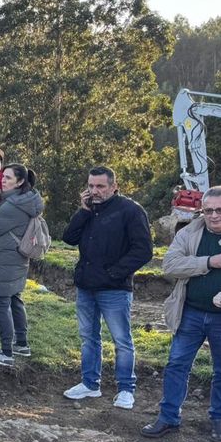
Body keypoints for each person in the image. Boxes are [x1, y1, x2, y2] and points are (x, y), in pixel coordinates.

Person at [61, 166, 153, 409]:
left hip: (115, 288)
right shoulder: (89, 210)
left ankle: (125, 389)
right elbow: (68, 238)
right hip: (86, 286)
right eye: (91, 186)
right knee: (88, 337)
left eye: (100, 186)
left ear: (114, 186)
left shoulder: (131, 211)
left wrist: (114, 273)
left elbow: (143, 250)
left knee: (121, 340)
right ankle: (90, 384)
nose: (94, 191)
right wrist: (83, 211)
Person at [141, 186, 221, 442]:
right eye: (208, 210)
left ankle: (219, 420)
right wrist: (209, 262)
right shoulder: (189, 232)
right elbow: (171, 266)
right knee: (177, 364)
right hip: (191, 312)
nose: (214, 216)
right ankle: (168, 417)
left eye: (220, 210)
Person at [0, 163, 43, 367]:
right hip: (18, 259)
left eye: (8, 178)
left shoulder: (12, 206)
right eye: (2, 177)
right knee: (15, 298)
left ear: (20, 181)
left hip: (3, 261)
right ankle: (21, 343)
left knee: (0, 303)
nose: (2, 180)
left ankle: (6, 352)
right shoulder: (29, 200)